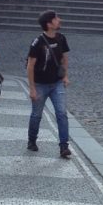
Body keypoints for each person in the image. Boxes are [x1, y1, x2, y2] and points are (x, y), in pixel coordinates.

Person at [26, 10, 71, 158]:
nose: (60, 20)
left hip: (56, 83)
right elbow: (30, 66)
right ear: (49, 24)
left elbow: (64, 58)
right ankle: (32, 140)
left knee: (62, 113)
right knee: (36, 115)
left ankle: (64, 146)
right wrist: (32, 88)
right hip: (40, 84)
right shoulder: (37, 42)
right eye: (56, 18)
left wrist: (65, 76)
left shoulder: (61, 38)